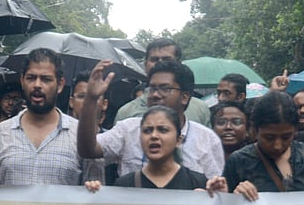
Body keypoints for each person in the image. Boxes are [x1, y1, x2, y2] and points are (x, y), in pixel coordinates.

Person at [78, 58, 224, 179]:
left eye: (165, 89)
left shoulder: (207, 140)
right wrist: (91, 99)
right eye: (152, 88)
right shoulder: (128, 129)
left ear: (184, 97)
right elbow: (88, 151)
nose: (155, 95)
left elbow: (214, 191)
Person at [0, 48, 101, 186]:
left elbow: (96, 196)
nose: (37, 85)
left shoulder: (81, 135)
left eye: (46, 79)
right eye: (31, 78)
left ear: (60, 85)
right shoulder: (1, 132)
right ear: (22, 81)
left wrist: (93, 188)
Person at [85, 106, 226, 192]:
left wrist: (218, 198)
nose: (154, 136)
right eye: (147, 130)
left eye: (163, 130)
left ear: (179, 140)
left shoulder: (198, 182)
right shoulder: (124, 185)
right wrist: (96, 195)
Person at [222, 91, 304, 200]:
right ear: (255, 130)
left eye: (286, 137)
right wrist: (234, 196)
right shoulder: (239, 161)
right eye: (269, 138)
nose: (277, 146)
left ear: (295, 130)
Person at [114, 38, 213, 125]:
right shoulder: (126, 113)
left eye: (166, 59)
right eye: (154, 59)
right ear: (145, 65)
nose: (160, 64)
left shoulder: (200, 109)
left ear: (179, 63)